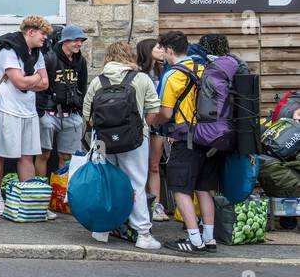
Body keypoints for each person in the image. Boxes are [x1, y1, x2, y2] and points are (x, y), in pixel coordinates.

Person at [82, 42, 162, 250]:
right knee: (136, 183)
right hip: (135, 140)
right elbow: (154, 110)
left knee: (107, 182)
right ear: (130, 56)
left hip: (103, 141)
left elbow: (87, 116)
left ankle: (102, 229)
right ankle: (143, 233)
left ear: (108, 57)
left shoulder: (98, 82)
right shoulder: (142, 79)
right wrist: (142, 126)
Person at [156, 30, 221, 253]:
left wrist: (152, 123)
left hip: (185, 139)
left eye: (162, 50)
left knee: (180, 188)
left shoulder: (173, 75)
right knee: (204, 189)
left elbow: (165, 113)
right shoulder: (204, 69)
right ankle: (209, 238)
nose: (162, 54)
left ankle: (194, 240)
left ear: (169, 50)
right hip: (210, 138)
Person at [0, 15, 52, 217]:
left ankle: (30, 201)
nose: (45, 38)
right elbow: (20, 83)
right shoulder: (8, 51)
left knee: (27, 156)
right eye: (42, 34)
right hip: (6, 110)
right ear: (30, 32)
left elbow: (45, 83)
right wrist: (34, 79)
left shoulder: (37, 52)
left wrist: (29, 80)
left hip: (28, 111)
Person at [35, 25, 88, 176]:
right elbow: (39, 87)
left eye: (81, 40)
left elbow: (82, 87)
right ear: (64, 41)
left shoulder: (80, 61)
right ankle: (41, 191)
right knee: (43, 154)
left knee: (67, 156)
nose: (79, 44)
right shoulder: (49, 59)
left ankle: (63, 195)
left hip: (70, 114)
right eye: (75, 40)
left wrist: (79, 111)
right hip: (48, 112)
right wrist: (40, 113)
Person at [137, 38, 170, 222]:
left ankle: (156, 204)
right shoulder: (137, 72)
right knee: (138, 166)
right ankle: (139, 203)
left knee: (154, 165)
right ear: (148, 50)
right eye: (159, 47)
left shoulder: (163, 71)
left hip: (157, 124)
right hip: (140, 123)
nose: (162, 50)